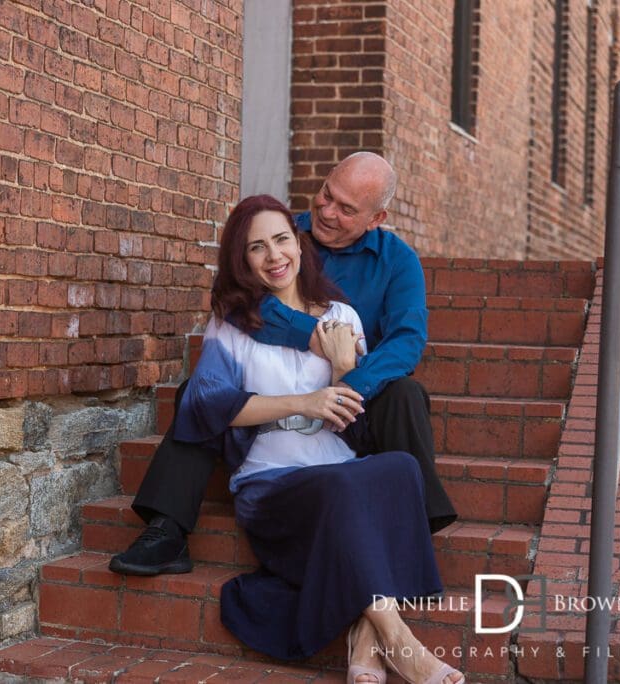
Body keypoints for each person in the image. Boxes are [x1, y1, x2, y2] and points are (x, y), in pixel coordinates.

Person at [109, 151, 455, 578]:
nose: (327, 212)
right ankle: (167, 528)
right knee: (198, 393)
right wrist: (311, 335)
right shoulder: (282, 234)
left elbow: (406, 341)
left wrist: (350, 385)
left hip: (356, 397)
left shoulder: (397, 262)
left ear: (376, 217)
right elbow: (233, 298)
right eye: (327, 194)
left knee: (406, 393)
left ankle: (415, 520)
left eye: (347, 209)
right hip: (271, 386)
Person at [168, 194, 463, 683]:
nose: (274, 256)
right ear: (242, 260)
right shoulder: (233, 323)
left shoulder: (343, 317)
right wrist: (302, 402)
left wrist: (348, 370)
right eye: (256, 248)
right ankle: (397, 639)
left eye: (282, 240)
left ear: (301, 246)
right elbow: (204, 403)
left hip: (336, 464)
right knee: (346, 490)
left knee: (402, 469)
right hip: (271, 479)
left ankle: (364, 642)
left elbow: (358, 423)